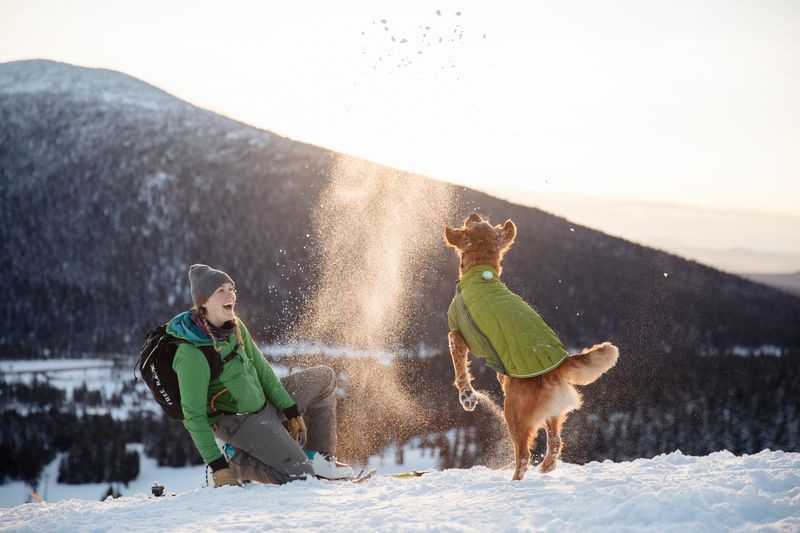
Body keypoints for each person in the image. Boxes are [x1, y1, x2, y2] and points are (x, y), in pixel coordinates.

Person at [167, 263, 354, 487]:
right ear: (202, 302)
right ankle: (233, 460)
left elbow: (262, 370)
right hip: (234, 422)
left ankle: (319, 458)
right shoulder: (192, 353)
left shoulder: (234, 326)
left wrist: (290, 409)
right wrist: (218, 467)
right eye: (221, 291)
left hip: (261, 404)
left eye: (231, 288)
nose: (231, 294)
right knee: (300, 476)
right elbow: (194, 417)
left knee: (324, 378)